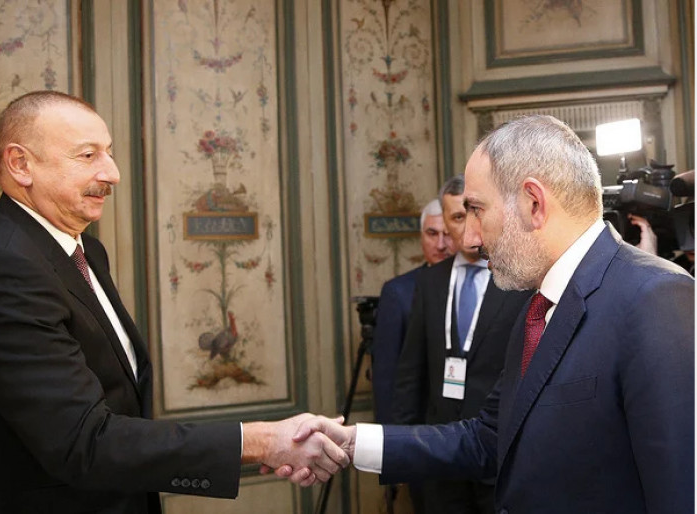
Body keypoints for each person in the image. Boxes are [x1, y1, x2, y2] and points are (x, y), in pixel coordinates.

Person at [0, 91, 348, 513]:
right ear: (21, 164)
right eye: (88, 155)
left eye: (109, 153)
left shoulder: (84, 251)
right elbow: (83, 441)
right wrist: (262, 441)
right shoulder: (0, 269)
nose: (111, 173)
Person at [288, 115, 695, 513]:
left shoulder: (656, 298)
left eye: (477, 210)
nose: (469, 238)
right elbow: (488, 437)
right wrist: (350, 442)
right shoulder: (537, 307)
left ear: (533, 203)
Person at [393, 175, 530, 514]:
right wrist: (402, 452)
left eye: (474, 212)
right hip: (439, 459)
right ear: (445, 221)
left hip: (499, 457)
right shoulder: (430, 282)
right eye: (456, 217)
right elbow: (411, 374)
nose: (468, 225)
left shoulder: (520, 280)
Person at [370, 198, 454, 512]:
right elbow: (387, 379)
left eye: (447, 234)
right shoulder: (399, 292)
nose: (441, 244)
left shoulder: (485, 282)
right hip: (421, 437)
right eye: (432, 234)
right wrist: (392, 451)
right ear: (421, 237)